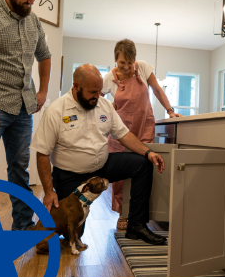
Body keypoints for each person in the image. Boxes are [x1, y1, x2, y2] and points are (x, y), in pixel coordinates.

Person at [31, 64, 167, 245]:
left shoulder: (104, 106)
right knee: (76, 232)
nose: (97, 96)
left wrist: (148, 152)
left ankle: (136, 226)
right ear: (76, 86)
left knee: (142, 164)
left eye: (99, 91)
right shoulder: (56, 111)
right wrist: (48, 191)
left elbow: (124, 135)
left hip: (101, 166)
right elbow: (42, 153)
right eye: (92, 92)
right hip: (70, 175)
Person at [0, 0, 52, 231]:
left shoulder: (33, 21)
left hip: (24, 108)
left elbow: (44, 55)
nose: (31, 2)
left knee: (19, 171)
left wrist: (43, 92)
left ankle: (22, 227)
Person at [101, 39, 183, 230]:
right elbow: (97, 99)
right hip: (121, 131)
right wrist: (107, 107)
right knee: (121, 176)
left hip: (144, 127)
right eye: (123, 63)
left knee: (144, 170)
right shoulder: (108, 78)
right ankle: (123, 213)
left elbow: (157, 90)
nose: (127, 67)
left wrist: (170, 111)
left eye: (130, 63)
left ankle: (140, 214)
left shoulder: (144, 69)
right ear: (115, 60)